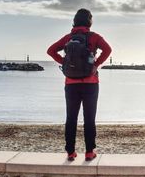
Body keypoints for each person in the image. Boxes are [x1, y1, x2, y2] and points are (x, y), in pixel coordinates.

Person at [47, 9, 111, 161]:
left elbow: (50, 51)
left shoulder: (68, 38)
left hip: (71, 84)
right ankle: (89, 152)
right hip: (91, 83)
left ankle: (70, 152)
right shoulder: (94, 37)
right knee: (89, 118)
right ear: (89, 21)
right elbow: (108, 49)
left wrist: (64, 63)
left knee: (71, 118)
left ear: (75, 21)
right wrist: (96, 64)